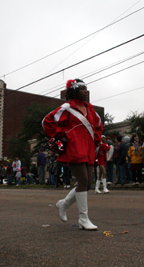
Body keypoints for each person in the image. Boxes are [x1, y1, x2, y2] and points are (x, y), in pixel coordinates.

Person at [43, 78, 103, 231]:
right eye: (82, 89)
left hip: (88, 148)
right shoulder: (66, 108)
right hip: (74, 147)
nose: (86, 92)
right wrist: (62, 134)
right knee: (82, 180)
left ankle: (63, 204)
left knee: (87, 184)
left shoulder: (90, 109)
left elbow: (98, 125)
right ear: (74, 91)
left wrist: (96, 139)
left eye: (86, 89)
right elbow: (47, 122)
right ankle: (83, 218)